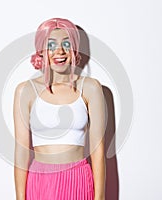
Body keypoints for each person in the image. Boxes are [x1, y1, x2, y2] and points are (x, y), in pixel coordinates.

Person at [13, 18, 107, 200]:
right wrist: (19, 197)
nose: (60, 51)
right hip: (40, 183)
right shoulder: (25, 91)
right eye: (51, 45)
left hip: (78, 179)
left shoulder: (91, 88)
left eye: (66, 43)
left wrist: (100, 197)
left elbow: (98, 150)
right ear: (41, 50)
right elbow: (21, 151)